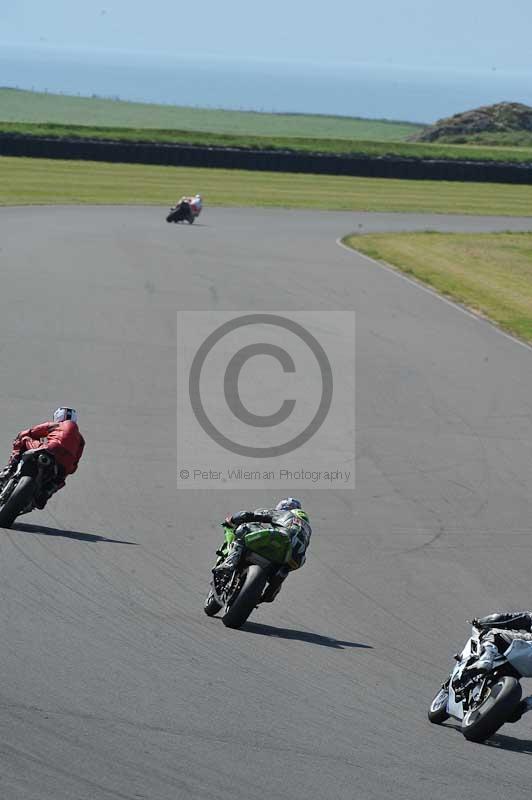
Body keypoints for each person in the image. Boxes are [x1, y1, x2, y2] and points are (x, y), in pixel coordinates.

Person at [213, 497, 311, 603]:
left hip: (278, 538)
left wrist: (233, 519)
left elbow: (248, 515)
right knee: (284, 569)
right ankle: (271, 592)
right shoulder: (307, 529)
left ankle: (229, 564)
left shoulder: (283, 513)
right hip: (296, 557)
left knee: (244, 529)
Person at [0, 407, 85, 509]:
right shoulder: (81, 440)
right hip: (66, 463)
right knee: (60, 479)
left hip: (50, 449)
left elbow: (29, 432)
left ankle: (9, 469)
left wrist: (35, 439)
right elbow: (74, 465)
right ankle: (47, 491)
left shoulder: (55, 425)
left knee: (23, 438)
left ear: (57, 416)